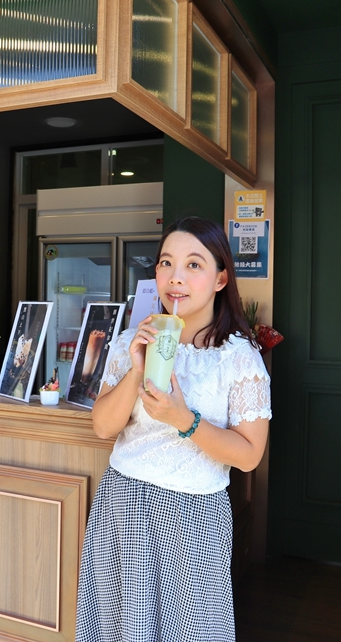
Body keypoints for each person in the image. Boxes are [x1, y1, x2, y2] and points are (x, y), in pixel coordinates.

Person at [76, 216, 271, 642]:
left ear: (221, 279)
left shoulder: (238, 358)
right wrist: (136, 369)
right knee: (117, 629)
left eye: (193, 265)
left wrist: (184, 420)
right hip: (121, 506)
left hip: (193, 517)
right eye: (166, 263)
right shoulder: (134, 339)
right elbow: (103, 427)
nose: (175, 278)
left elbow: (249, 455)